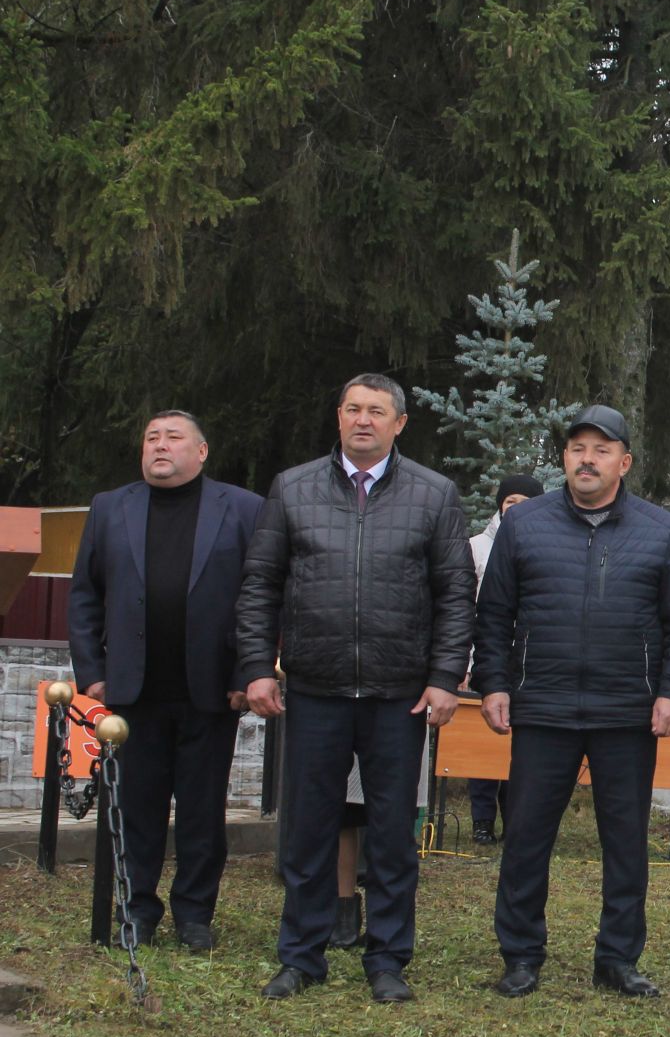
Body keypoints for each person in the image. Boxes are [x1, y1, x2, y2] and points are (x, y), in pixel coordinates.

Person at [236, 373, 474, 1003]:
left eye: (376, 411)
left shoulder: (434, 494)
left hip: (401, 694)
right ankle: (301, 956)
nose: (362, 420)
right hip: (315, 688)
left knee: (393, 832)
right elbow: (260, 584)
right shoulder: (293, 489)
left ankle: (388, 959)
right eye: (351, 409)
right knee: (309, 827)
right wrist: (259, 666)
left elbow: (455, 593)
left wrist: (445, 677)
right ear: (338, 419)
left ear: (399, 424)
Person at [472, 406, 670, 999]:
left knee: (625, 842)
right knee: (526, 837)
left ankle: (618, 959)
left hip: (627, 710)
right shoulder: (525, 526)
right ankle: (521, 955)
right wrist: (495, 683)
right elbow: (493, 613)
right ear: (565, 458)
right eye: (577, 448)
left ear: (623, 462)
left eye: (601, 450)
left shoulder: (661, 530)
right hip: (542, 706)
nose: (587, 459)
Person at [66, 410, 263, 950]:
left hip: (210, 689)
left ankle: (195, 915)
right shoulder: (111, 507)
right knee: (137, 806)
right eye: (151, 437)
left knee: (203, 811)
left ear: (200, 452)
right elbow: (85, 595)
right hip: (132, 690)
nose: (160, 446)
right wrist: (92, 675)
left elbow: (261, 596)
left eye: (173, 438)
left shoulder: (243, 508)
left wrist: (250, 670)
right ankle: (137, 909)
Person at [467, 473, 544, 844]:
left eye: (525, 503)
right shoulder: (476, 548)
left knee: (519, 750)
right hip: (486, 662)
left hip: (527, 665)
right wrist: (467, 666)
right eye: (511, 501)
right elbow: (470, 613)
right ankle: (482, 820)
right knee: (483, 748)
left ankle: (516, 818)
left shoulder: (542, 545)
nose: (516, 509)